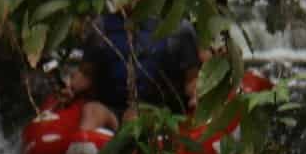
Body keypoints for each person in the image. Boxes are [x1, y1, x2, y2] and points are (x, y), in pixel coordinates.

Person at [60, 12, 205, 133]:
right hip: (112, 107)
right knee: (91, 112)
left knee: (134, 117)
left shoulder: (177, 27)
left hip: (158, 110)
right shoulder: (102, 26)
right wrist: (71, 88)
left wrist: (196, 96)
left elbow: (191, 79)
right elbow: (86, 74)